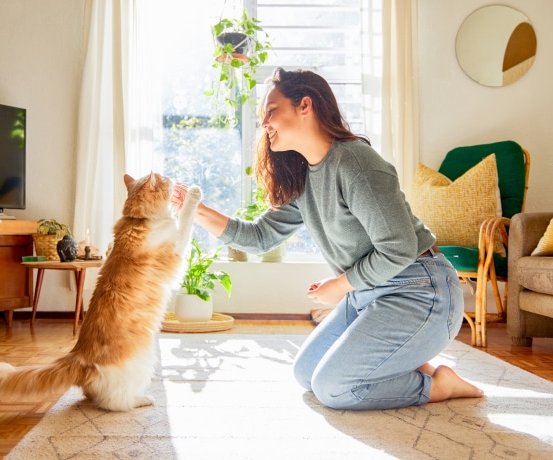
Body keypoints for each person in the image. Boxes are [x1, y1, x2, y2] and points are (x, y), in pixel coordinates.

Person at [172, 67, 483, 411]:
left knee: (334, 388)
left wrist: (341, 284)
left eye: (271, 111)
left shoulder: (356, 163)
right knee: (306, 374)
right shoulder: (304, 177)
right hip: (369, 296)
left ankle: (439, 384)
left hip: (422, 293)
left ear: (304, 106)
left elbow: (399, 249)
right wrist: (194, 209)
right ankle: (405, 359)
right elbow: (259, 238)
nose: (264, 124)